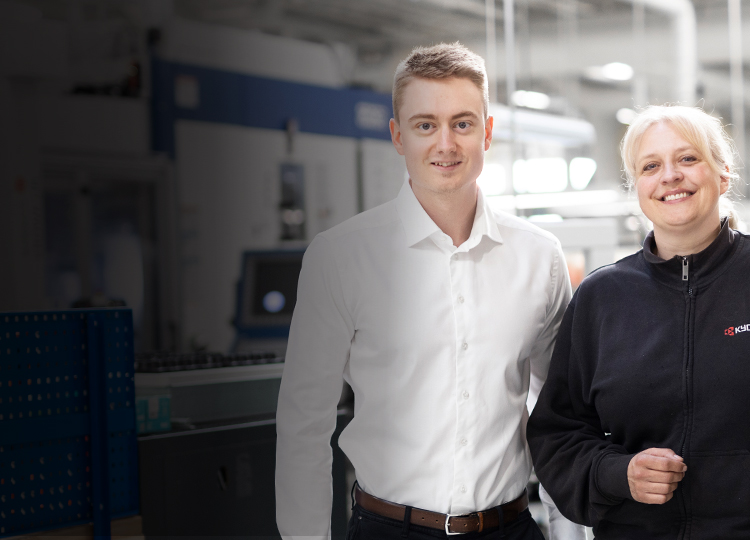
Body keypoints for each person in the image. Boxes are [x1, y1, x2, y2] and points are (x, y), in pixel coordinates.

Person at [276, 42, 585, 540]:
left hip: (509, 528)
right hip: (388, 529)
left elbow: (560, 415)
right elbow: (303, 425)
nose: (445, 144)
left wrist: (569, 533)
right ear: (398, 136)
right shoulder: (340, 257)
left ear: (487, 132)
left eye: (462, 124)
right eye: (425, 125)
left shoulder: (539, 257)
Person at [527, 104, 750, 539]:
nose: (670, 176)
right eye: (652, 166)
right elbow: (558, 434)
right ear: (639, 188)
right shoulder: (601, 298)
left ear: (723, 174)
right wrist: (618, 473)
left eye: (688, 158)